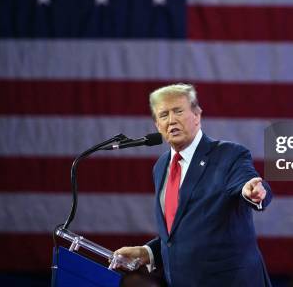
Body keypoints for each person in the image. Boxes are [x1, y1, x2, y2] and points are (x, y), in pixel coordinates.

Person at [113, 83, 272, 286]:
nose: (171, 120)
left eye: (178, 111)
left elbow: (249, 182)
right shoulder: (161, 166)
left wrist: (253, 191)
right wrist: (148, 252)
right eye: (163, 115)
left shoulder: (228, 154)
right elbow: (181, 232)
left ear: (197, 115)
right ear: (157, 126)